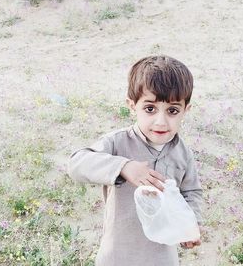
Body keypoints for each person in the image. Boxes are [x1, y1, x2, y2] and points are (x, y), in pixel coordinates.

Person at [68, 55, 204, 265]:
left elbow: (191, 191)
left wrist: (190, 224)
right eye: (150, 109)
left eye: (172, 110)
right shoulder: (117, 143)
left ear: (186, 110)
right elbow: (77, 164)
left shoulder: (183, 153)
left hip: (162, 255)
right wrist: (123, 166)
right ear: (132, 106)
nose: (161, 121)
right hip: (118, 253)